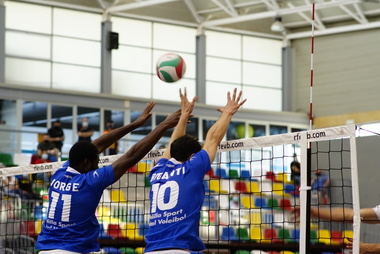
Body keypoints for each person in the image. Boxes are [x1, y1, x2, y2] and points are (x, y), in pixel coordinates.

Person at [36, 102, 181, 254]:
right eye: (96, 163)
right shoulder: (89, 181)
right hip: (73, 250)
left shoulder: (60, 172)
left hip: (45, 249)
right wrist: (163, 126)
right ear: (86, 162)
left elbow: (96, 146)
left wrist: (135, 124)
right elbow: (131, 156)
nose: (97, 166)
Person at [145, 88, 246, 253]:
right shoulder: (192, 168)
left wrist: (184, 116)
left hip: (152, 249)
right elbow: (213, 138)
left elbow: (172, 144)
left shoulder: (157, 171)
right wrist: (228, 113)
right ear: (192, 155)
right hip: (180, 248)